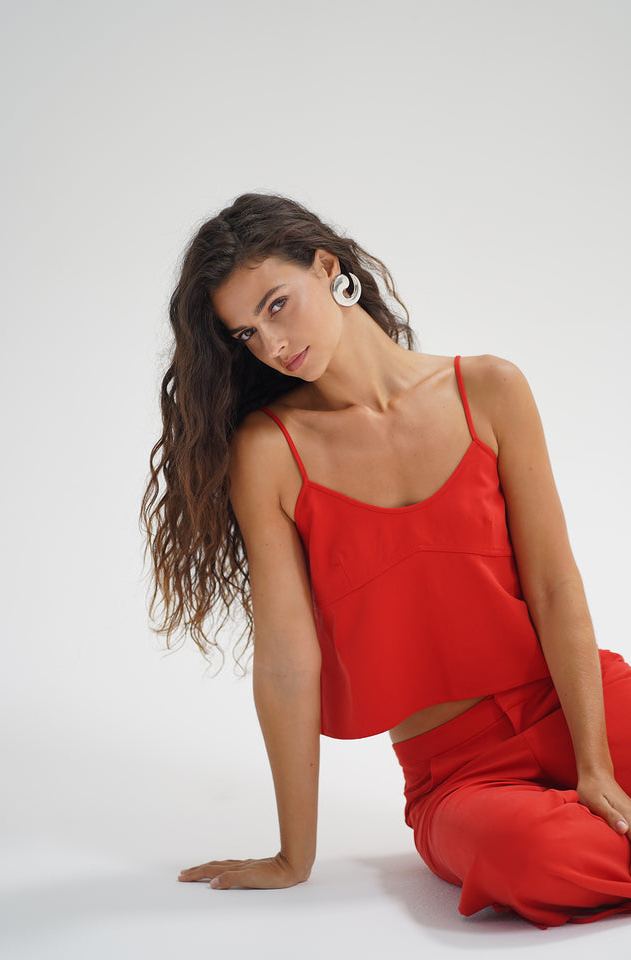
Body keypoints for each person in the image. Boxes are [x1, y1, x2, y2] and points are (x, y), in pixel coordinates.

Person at [140, 192, 631, 928]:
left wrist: (593, 763)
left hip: (579, 699)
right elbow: (285, 662)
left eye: (278, 305)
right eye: (246, 333)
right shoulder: (270, 454)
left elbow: (556, 584)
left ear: (328, 267)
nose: (271, 345)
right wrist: (292, 856)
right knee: (530, 858)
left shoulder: (489, 389)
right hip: (459, 771)